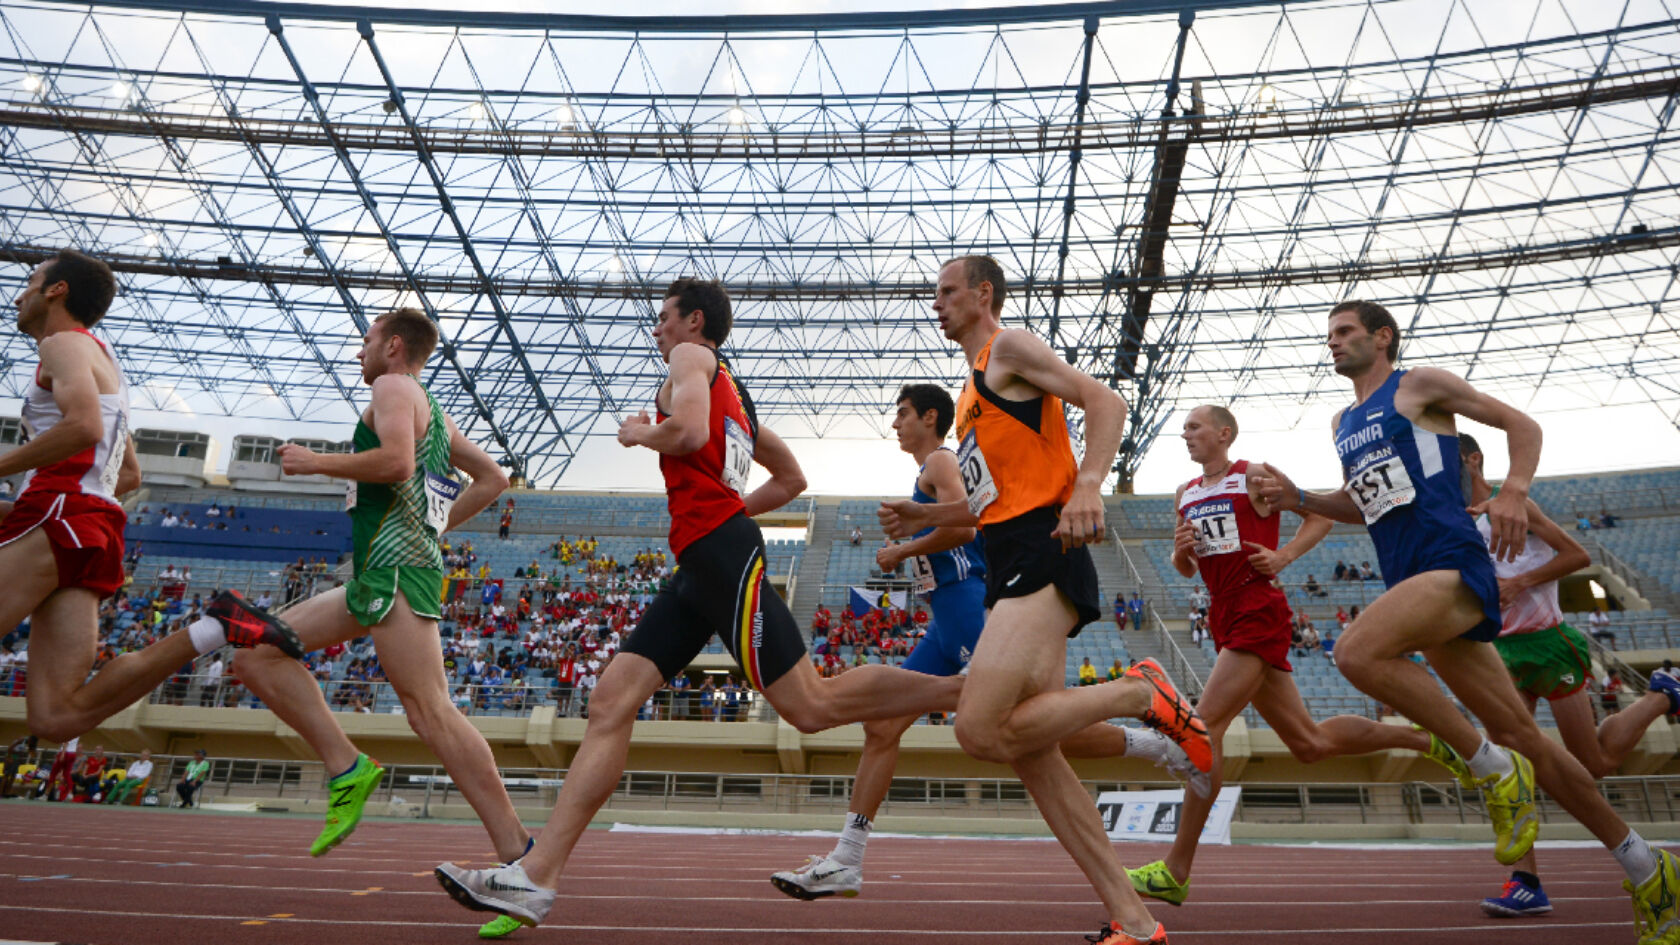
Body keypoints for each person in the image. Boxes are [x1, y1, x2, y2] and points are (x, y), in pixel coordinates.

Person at [437, 277, 967, 937]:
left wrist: (642, 432)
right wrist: (724, 509)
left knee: (811, 706)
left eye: (663, 317)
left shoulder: (690, 360)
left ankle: (959, 688)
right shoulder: (735, 392)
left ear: (693, 322)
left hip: (715, 552)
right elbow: (792, 478)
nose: (655, 329)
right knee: (612, 699)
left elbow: (686, 434)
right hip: (700, 558)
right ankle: (535, 876)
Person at [1251, 299, 1677, 940]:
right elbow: (1364, 504)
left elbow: (1521, 425)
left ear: (1382, 337)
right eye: (1328, 335)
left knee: (1355, 654)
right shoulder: (1342, 421)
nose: (1331, 343)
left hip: (1452, 564)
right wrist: (1299, 499)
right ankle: (1649, 869)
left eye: (1344, 332)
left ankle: (1488, 768)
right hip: (1411, 580)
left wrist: (1514, 491)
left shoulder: (1420, 385)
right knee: (1529, 741)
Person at [873, 256, 1208, 945]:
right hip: (1008, 555)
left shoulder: (1010, 347)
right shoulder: (971, 393)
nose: (935, 304)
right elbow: (993, 499)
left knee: (976, 727)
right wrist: (921, 515)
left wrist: (1090, 483)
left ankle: (1140, 693)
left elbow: (1107, 401)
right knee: (1035, 753)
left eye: (945, 292)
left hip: (1042, 549)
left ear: (982, 293)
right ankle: (1137, 922)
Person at [770, 385, 1204, 904]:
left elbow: (970, 516)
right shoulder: (929, 468)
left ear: (930, 417)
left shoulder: (942, 461)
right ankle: (848, 856)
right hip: (943, 618)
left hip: (969, 603)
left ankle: (1155, 740)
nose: (895, 424)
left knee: (1030, 725)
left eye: (903, 414)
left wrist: (907, 544)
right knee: (884, 723)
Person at [201, 308, 531, 865]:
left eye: (367, 340)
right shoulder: (432, 408)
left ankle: (520, 857)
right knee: (256, 653)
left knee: (430, 712)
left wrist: (315, 463)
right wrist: (435, 526)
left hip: (398, 575)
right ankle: (347, 767)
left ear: (394, 346)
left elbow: (399, 462)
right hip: (385, 572)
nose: (360, 351)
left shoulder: (393, 387)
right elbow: (495, 477)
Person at [1127, 404, 1438, 907]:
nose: (1185, 434)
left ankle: (1176, 869)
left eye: (1194, 426)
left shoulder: (1255, 476)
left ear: (1223, 434)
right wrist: (1181, 553)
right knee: (1309, 743)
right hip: (1222, 613)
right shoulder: (1185, 493)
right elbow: (1186, 569)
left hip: (1258, 606)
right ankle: (1424, 738)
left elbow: (1319, 516)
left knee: (1203, 727)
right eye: (1184, 428)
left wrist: (1285, 555)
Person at [0, 251, 300, 746]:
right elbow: (127, 473)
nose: (19, 293)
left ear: (57, 290)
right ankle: (213, 630)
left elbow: (82, 427)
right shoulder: (103, 360)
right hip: (87, 526)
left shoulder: (63, 345)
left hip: (61, 517)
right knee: (55, 719)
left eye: (30, 281)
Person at [1451, 433, 1680, 917]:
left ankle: (1662, 696)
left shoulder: (1513, 507)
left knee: (1594, 763)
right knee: (1507, 772)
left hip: (1549, 643)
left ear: (1473, 459)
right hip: (1499, 653)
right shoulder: (1453, 522)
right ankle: (1526, 881)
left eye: (1448, 464)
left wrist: (1521, 582)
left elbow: (1577, 557)